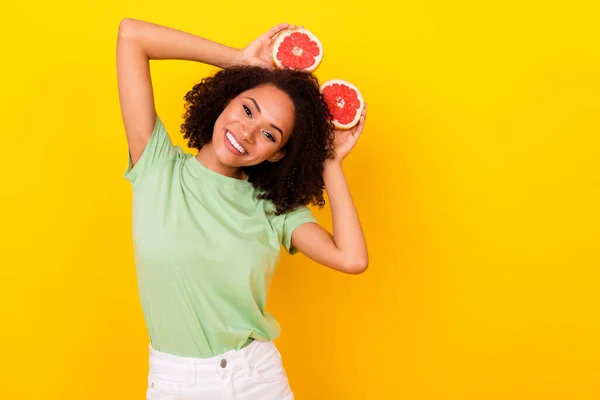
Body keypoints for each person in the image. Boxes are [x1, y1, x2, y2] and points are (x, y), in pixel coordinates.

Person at [117, 18, 368, 400]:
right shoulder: (156, 166)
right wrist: (239, 60)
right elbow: (131, 36)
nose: (247, 132)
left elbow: (351, 258)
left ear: (279, 153)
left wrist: (329, 161)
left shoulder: (273, 208)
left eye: (270, 134)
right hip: (176, 383)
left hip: (257, 380)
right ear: (228, 98)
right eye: (247, 110)